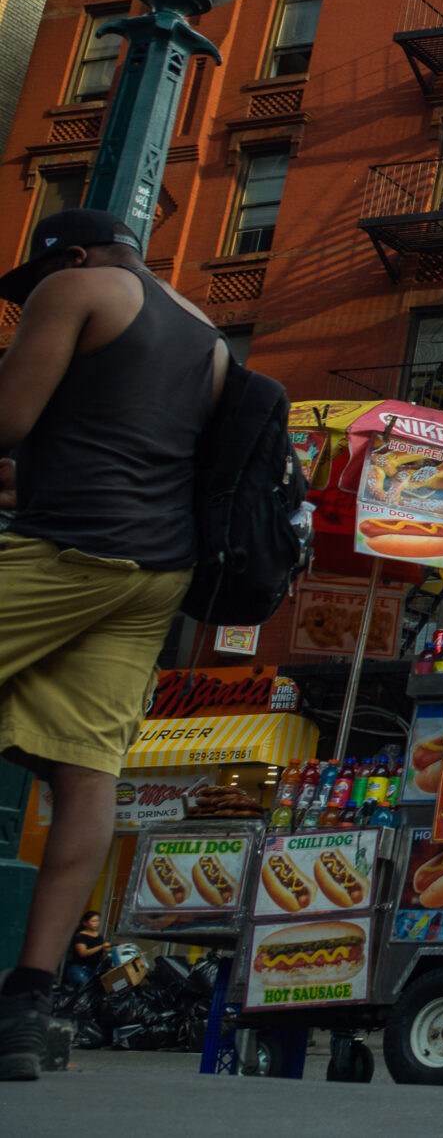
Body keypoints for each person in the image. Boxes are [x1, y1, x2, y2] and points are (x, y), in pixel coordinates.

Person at [0, 210, 227, 1082]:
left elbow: (8, 418)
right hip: (155, 574)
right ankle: (27, 1002)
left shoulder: (78, 288)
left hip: (65, 548)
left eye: (33, 284)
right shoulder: (208, 337)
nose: (31, 301)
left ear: (76, 253)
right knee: (85, 771)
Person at [62, 914, 106, 990]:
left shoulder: (99, 936)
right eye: (93, 921)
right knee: (83, 986)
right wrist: (101, 946)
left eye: (97, 921)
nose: (96, 923)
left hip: (94, 969)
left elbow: (101, 951)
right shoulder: (80, 936)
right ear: (85, 923)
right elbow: (83, 952)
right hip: (79, 968)